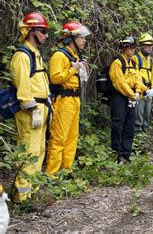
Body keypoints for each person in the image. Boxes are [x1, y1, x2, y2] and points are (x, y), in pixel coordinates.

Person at [10, 11, 51, 201]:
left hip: (40, 108)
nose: (46, 35)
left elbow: (40, 82)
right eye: (42, 31)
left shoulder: (36, 54)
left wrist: (47, 104)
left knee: (39, 150)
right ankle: (22, 197)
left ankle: (32, 191)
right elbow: (23, 86)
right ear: (31, 32)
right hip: (30, 111)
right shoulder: (22, 55)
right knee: (29, 151)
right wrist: (33, 109)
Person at [46, 21, 91, 177]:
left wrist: (79, 68)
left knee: (72, 137)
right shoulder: (59, 55)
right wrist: (74, 68)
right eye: (81, 37)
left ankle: (66, 170)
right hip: (63, 100)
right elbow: (55, 78)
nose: (84, 40)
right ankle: (52, 174)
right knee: (59, 137)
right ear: (70, 38)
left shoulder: (75, 56)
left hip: (74, 100)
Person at [109, 35, 147, 163]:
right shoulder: (117, 63)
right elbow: (119, 82)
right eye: (130, 48)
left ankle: (126, 154)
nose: (133, 50)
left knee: (129, 125)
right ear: (124, 48)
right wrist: (132, 94)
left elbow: (138, 78)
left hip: (131, 96)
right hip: (120, 97)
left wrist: (138, 91)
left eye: (133, 48)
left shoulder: (134, 62)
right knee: (118, 124)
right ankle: (116, 154)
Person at [133, 33, 153, 134]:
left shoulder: (151, 60)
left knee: (147, 115)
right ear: (141, 45)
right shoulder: (136, 58)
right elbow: (135, 76)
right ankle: (137, 139)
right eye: (147, 46)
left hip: (149, 92)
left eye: (150, 46)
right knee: (138, 116)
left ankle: (145, 136)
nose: (149, 48)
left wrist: (152, 88)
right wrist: (145, 89)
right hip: (140, 92)